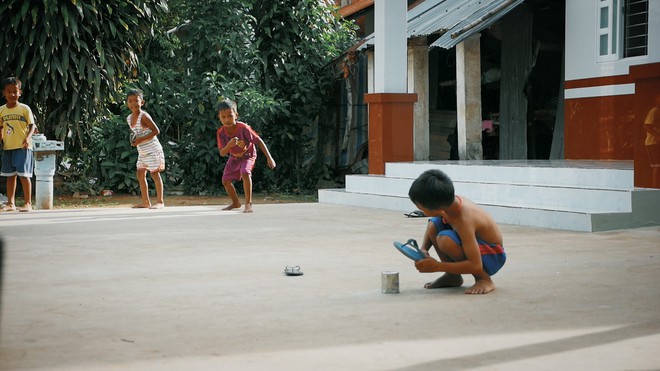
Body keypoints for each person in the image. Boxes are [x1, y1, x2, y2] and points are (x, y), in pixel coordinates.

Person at [407, 169, 506, 294]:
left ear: (439, 210)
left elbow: (476, 265)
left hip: (492, 256)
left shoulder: (465, 221)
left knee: (445, 239)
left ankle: (484, 279)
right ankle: (452, 276)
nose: (421, 211)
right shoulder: (449, 204)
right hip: (476, 249)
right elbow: (433, 223)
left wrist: (436, 266)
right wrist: (423, 249)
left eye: (421, 209)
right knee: (433, 224)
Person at [216, 99, 276, 213]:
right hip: (234, 157)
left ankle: (248, 203)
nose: (227, 119)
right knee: (225, 181)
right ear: (219, 117)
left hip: (248, 155)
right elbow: (222, 153)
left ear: (236, 115)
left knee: (245, 172)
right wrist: (229, 145)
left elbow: (258, 140)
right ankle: (235, 202)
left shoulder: (243, 128)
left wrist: (269, 157)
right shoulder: (220, 132)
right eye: (223, 117)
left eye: (230, 116)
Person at [0, 77, 36, 212]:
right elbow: (0, 127)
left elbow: (32, 126)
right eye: (8, 92)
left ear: (20, 92)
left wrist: (27, 138)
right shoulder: (1, 110)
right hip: (8, 148)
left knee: (24, 175)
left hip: (23, 147)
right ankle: (10, 203)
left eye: (15, 91)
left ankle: (28, 203)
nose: (12, 95)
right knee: (10, 176)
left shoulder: (24, 109)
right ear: (4, 93)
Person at [126, 88, 165, 209]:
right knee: (140, 174)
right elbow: (137, 134)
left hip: (152, 150)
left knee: (154, 174)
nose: (133, 103)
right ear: (127, 103)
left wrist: (139, 140)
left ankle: (160, 202)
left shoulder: (144, 116)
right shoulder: (129, 118)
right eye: (130, 101)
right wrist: (134, 141)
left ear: (142, 102)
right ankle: (145, 201)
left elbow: (156, 131)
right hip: (142, 152)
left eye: (136, 101)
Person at [644, 94, 660, 187]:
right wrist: (657, 136)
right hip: (653, 143)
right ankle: (655, 189)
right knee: (657, 167)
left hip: (656, 143)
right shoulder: (654, 111)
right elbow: (646, 125)